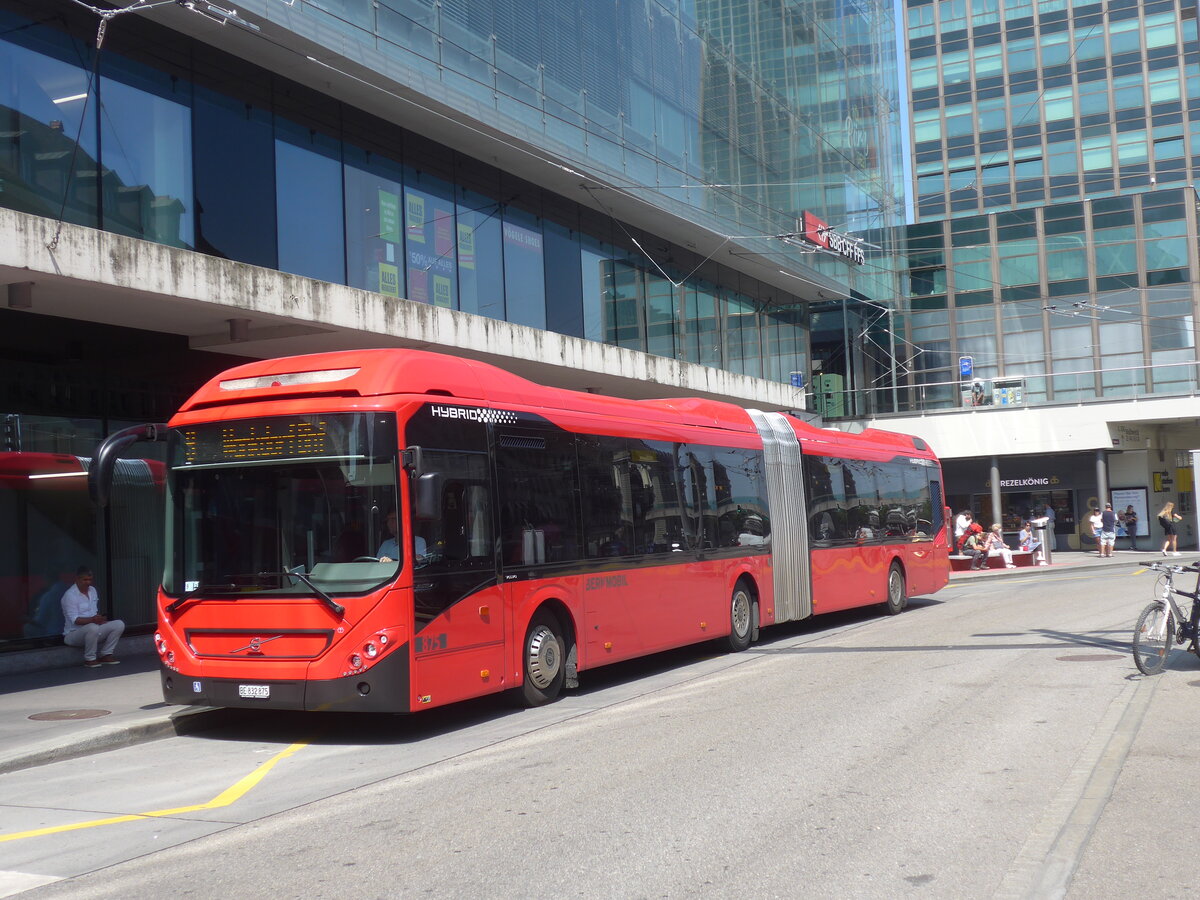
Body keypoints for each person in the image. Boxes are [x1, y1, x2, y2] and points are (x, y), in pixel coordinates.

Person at [61, 566, 124, 667]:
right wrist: (93, 620)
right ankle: (90, 659)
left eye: (90, 579)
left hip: (94, 630)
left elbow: (93, 613)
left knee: (119, 624)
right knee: (92, 627)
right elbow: (75, 620)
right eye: (85, 580)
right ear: (77, 579)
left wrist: (100, 619)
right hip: (73, 635)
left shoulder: (93, 590)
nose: (88, 582)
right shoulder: (70, 595)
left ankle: (106, 654)